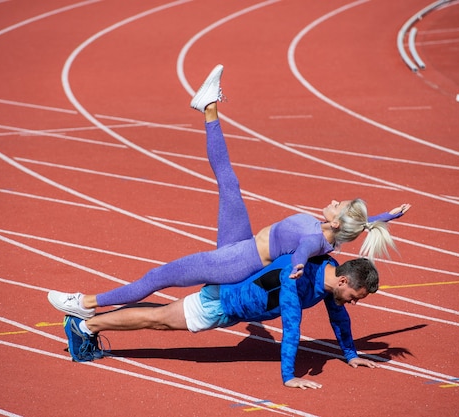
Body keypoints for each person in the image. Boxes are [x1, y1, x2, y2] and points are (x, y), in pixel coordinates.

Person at [48, 64, 410, 320]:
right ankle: (207, 106)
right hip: (242, 244)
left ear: (335, 221)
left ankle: (85, 302)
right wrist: (383, 217)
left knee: (158, 277)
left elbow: (302, 251)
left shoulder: (315, 241)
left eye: (339, 204)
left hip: (236, 263)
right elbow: (355, 226)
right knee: (229, 183)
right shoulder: (332, 234)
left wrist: (299, 266)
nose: (333, 201)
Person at [63, 253, 380, 389]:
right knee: (160, 320)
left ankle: (91, 324)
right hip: (224, 303)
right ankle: (85, 326)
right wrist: (288, 377)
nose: (354, 302)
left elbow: (338, 315)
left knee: (161, 315)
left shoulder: (326, 266)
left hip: (231, 295)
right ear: (343, 282)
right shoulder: (296, 283)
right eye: (356, 296)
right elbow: (292, 330)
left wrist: (351, 354)